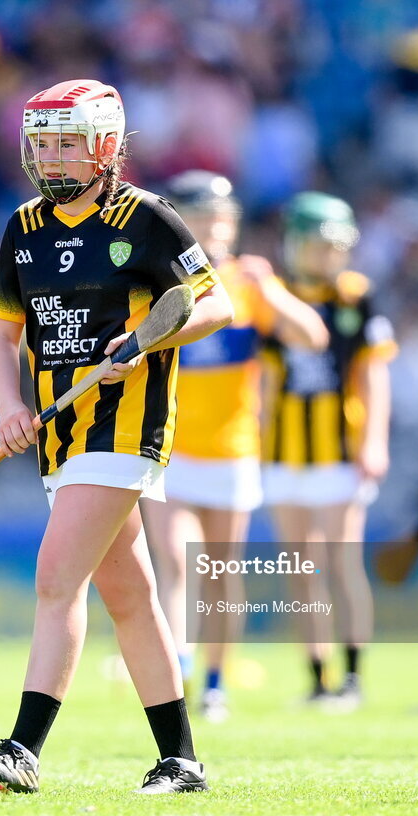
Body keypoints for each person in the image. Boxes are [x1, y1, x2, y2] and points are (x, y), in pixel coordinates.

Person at [0, 80, 234, 795]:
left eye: (66, 143)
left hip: (124, 429)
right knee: (132, 597)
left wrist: (142, 343)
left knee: (56, 580)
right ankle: (182, 760)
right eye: (41, 143)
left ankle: (21, 750)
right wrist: (7, 404)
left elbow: (216, 305)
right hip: (61, 435)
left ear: (106, 144)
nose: (50, 158)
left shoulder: (147, 219)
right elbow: (1, 336)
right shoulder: (23, 227)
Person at [140, 170, 328, 722]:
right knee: (177, 561)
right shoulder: (157, 280)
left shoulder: (248, 283)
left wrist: (269, 289)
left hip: (233, 450)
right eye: (198, 218)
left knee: (223, 573)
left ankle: (215, 683)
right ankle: (178, 671)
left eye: (219, 219)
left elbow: (312, 335)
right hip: (168, 447)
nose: (210, 228)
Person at [261, 191, 396, 709]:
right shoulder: (274, 297)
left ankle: (354, 676)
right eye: (318, 245)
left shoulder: (357, 298)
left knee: (341, 564)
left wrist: (374, 440)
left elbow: (374, 374)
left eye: (335, 246)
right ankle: (317, 678)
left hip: (340, 452)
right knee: (301, 569)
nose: (328, 256)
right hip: (283, 454)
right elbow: (263, 380)